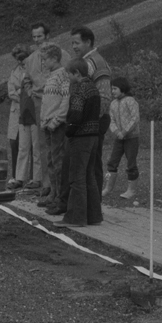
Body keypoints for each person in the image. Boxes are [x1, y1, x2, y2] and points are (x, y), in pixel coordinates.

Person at [55, 58, 102, 228]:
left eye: (69, 73)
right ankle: (94, 216)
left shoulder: (79, 89)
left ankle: (76, 217)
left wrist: (68, 131)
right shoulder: (93, 88)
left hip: (80, 137)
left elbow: (75, 115)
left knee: (76, 178)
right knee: (89, 176)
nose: (68, 77)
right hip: (93, 136)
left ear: (76, 73)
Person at [25, 22, 70, 199]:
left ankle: (60, 187)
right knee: (42, 145)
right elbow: (26, 80)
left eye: (40, 36)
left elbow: (69, 76)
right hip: (40, 102)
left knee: (58, 145)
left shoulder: (62, 54)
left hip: (57, 102)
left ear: (47, 36)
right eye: (34, 37)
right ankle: (47, 184)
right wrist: (31, 92)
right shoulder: (30, 59)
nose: (37, 40)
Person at [70, 26, 111, 197]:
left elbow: (105, 96)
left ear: (88, 42)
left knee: (93, 163)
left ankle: (94, 204)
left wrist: (91, 122)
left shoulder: (96, 62)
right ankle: (88, 202)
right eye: (72, 43)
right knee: (86, 164)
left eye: (76, 42)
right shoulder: (86, 60)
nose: (73, 47)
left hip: (94, 121)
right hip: (85, 120)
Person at [36, 43, 69, 214]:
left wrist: (57, 119)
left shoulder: (63, 76)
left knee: (58, 161)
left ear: (55, 59)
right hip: (47, 124)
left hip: (57, 125)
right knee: (50, 159)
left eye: (45, 60)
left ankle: (60, 197)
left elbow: (65, 99)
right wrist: (43, 120)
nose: (43, 63)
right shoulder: (50, 77)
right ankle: (53, 192)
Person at [103, 76, 140, 199]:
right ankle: (108, 187)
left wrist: (124, 132)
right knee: (112, 162)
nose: (112, 91)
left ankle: (131, 190)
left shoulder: (131, 101)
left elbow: (135, 118)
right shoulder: (113, 103)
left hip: (132, 138)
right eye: (111, 89)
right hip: (119, 138)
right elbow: (111, 120)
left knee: (131, 163)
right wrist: (116, 132)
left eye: (115, 89)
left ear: (122, 89)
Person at [6, 44, 32, 190]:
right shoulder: (14, 71)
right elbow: (11, 91)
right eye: (18, 59)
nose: (20, 62)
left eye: (23, 59)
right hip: (16, 111)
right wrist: (20, 93)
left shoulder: (31, 69)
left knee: (29, 144)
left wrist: (20, 92)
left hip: (28, 110)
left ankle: (31, 177)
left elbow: (28, 90)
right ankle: (16, 175)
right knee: (14, 143)